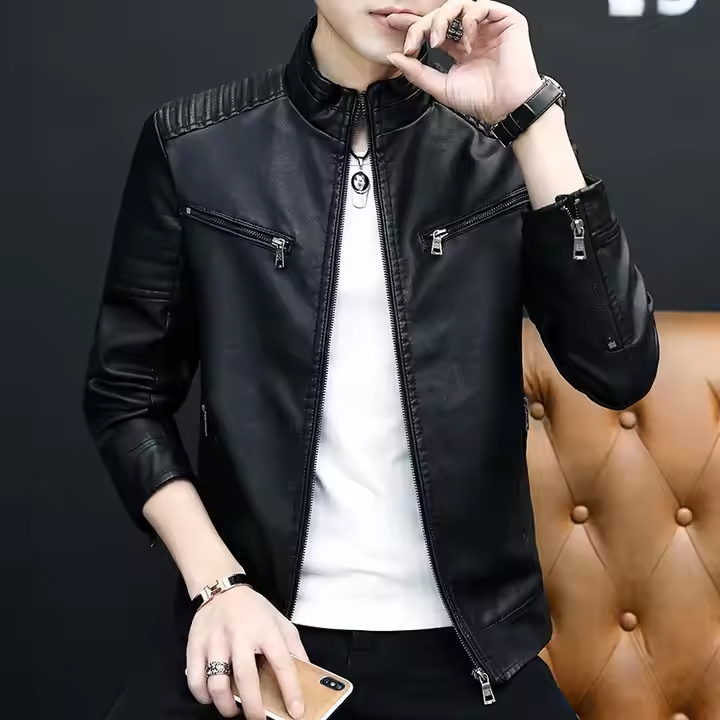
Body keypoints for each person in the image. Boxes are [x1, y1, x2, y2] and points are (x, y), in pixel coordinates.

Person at [83, 1, 659, 718]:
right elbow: (126, 395)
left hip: (471, 652)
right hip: (261, 633)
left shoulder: (502, 149)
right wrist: (219, 587)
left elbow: (618, 367)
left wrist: (530, 119)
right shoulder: (197, 144)